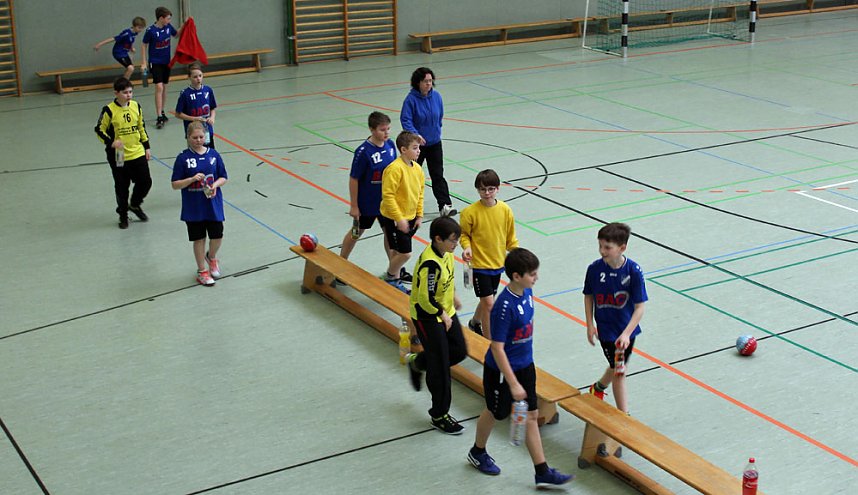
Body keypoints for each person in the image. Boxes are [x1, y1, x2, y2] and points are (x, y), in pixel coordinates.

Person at [466, 248, 574, 487]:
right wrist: (512, 383)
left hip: (526, 365)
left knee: (532, 415)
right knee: (495, 412)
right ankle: (478, 451)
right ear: (516, 276)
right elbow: (497, 347)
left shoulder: (528, 292)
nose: (536, 278)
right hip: (502, 371)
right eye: (532, 274)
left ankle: (542, 470)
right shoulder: (504, 307)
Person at [405, 216, 468, 434]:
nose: (456, 244)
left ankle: (418, 362)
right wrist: (443, 313)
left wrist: (454, 297)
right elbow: (425, 299)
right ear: (438, 239)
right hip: (427, 317)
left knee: (459, 351)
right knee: (441, 368)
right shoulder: (430, 264)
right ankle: (439, 414)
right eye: (452, 240)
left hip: (445, 312)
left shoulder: (447, 254)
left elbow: (448, 279)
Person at [583, 222, 648, 414]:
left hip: (627, 331)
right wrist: (589, 324)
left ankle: (599, 388)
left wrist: (627, 334)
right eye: (600, 246)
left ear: (622, 248)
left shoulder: (633, 271)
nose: (602, 251)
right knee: (619, 371)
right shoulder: (594, 269)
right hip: (607, 331)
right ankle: (624, 416)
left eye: (607, 247)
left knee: (616, 366)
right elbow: (588, 296)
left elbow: (640, 307)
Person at [459, 169, 518, 337]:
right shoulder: (469, 212)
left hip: (497, 264)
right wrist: (467, 247)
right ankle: (489, 343)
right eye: (483, 189)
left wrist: (517, 256)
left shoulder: (505, 210)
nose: (487, 193)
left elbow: (510, 238)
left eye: (491, 189)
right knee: (489, 305)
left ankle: (474, 323)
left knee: (488, 299)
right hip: (479, 266)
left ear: (498, 189)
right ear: (477, 189)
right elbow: (464, 235)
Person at [339, 111, 399, 275]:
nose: (386, 133)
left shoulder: (391, 145)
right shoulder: (363, 152)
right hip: (367, 203)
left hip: (386, 203)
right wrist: (354, 206)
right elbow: (353, 179)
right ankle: (340, 263)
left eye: (388, 129)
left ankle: (394, 270)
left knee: (390, 235)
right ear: (372, 130)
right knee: (356, 233)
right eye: (382, 130)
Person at [170, 121, 229, 286]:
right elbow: (175, 184)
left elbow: (223, 176)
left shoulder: (214, 155)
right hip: (194, 207)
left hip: (212, 204)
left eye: (201, 136)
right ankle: (202, 271)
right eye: (194, 137)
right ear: (188, 137)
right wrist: (191, 179)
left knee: (217, 235)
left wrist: (215, 185)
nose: (198, 140)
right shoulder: (183, 158)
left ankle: (212, 257)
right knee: (199, 238)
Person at [94, 77, 152, 229]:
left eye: (131, 92)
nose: (128, 95)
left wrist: (147, 146)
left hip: (137, 150)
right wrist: (110, 142)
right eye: (125, 92)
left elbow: (141, 127)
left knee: (145, 181)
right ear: (116, 93)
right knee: (122, 185)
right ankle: (123, 215)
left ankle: (134, 204)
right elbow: (99, 129)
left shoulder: (136, 106)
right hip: (119, 153)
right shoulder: (109, 110)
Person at [400, 67, 456, 217]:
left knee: (438, 175)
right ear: (418, 82)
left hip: (435, 143)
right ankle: (407, 204)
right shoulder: (410, 100)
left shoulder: (436, 97)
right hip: (417, 146)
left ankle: (445, 205)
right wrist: (416, 136)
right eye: (426, 81)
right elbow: (405, 119)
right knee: (413, 175)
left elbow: (440, 114)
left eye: (431, 81)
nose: (429, 84)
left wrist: (437, 130)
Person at [378, 131, 425, 294]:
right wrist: (399, 218)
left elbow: (420, 192)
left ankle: (395, 278)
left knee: (397, 251)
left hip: (410, 217)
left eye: (418, 147)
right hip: (394, 219)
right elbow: (388, 196)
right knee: (405, 254)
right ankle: (390, 277)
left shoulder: (418, 169)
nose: (418, 151)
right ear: (403, 149)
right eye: (414, 148)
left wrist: (419, 215)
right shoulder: (394, 169)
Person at [142, 6, 185, 129]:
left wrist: (185, 25)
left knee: (164, 87)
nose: (169, 21)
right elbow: (144, 45)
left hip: (167, 62)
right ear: (161, 18)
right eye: (168, 18)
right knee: (159, 87)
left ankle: (162, 111)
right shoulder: (150, 31)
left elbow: (176, 35)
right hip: (155, 62)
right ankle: (158, 115)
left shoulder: (168, 28)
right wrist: (144, 62)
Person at [175, 62, 218, 148]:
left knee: (209, 154)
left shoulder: (208, 90)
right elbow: (178, 114)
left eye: (200, 76)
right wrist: (193, 119)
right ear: (189, 77)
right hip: (193, 133)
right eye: (195, 77)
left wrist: (212, 118)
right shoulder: (185, 94)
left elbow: (212, 108)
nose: (198, 79)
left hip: (207, 131)